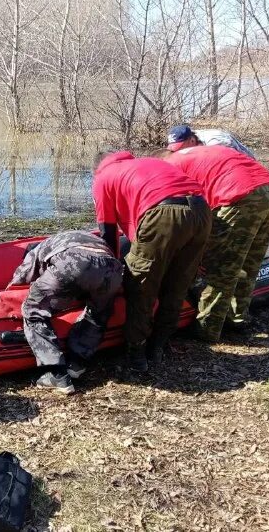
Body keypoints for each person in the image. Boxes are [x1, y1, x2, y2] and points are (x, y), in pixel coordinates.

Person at [93, 151, 212, 372]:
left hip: (165, 212)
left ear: (97, 169)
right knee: (179, 283)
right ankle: (158, 345)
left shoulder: (103, 177)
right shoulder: (148, 163)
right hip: (201, 210)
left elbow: (108, 232)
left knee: (140, 283)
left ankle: (136, 353)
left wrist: (112, 269)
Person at [158, 145, 269, 341]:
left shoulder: (169, 167)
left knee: (221, 265)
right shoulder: (198, 152)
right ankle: (237, 318)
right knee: (249, 260)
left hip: (239, 196)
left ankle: (208, 329)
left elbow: (182, 213)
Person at [8, 231, 124, 394]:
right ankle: (77, 363)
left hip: (73, 261)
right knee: (99, 313)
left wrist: (11, 285)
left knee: (33, 309)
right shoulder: (79, 236)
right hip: (111, 268)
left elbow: (23, 275)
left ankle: (56, 373)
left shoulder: (37, 250)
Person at [167, 124, 256, 159]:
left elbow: (230, 162)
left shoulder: (216, 142)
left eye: (180, 148)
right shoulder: (193, 139)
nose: (178, 152)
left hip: (247, 168)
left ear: (192, 140)